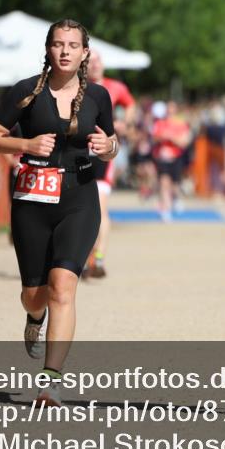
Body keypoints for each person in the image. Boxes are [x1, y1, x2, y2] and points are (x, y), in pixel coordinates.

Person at [0, 19, 119, 406]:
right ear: (48, 49)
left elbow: (112, 142)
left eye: (73, 45)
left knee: (63, 286)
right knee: (34, 294)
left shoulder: (99, 97)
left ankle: (51, 379)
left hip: (80, 198)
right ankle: (33, 318)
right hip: (32, 200)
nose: (65, 51)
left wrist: (107, 146)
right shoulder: (25, 92)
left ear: (84, 53)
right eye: (58, 44)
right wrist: (24, 142)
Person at [82, 49, 136, 279]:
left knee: (101, 207)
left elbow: (130, 105)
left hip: (103, 153)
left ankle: (99, 257)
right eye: (90, 61)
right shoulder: (76, 87)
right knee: (82, 208)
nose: (95, 65)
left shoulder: (115, 87)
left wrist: (124, 123)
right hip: (79, 152)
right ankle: (84, 258)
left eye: (98, 61)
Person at [150, 100, 192, 222]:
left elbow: (184, 142)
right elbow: (154, 138)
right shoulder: (159, 123)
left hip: (176, 158)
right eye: (168, 109)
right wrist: (161, 137)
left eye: (172, 109)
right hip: (162, 158)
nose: (169, 111)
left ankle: (176, 199)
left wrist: (171, 137)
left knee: (175, 185)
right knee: (164, 183)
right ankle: (165, 210)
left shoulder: (181, 124)